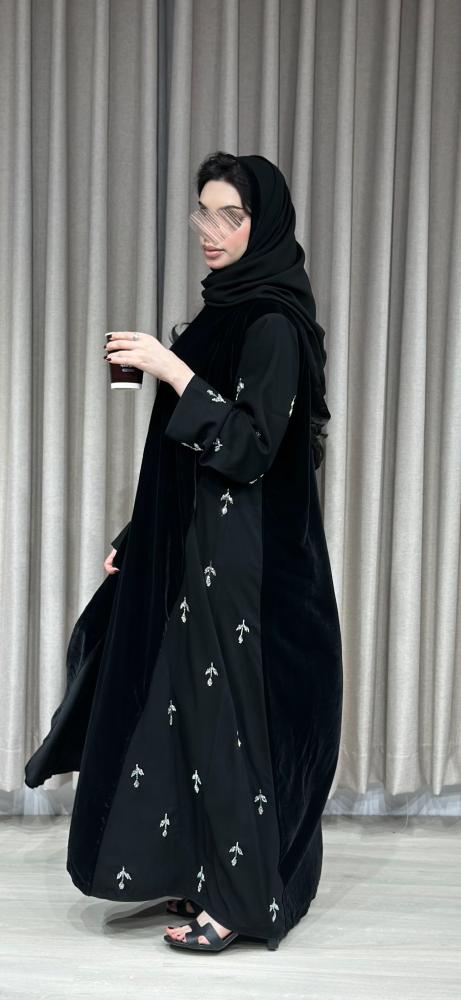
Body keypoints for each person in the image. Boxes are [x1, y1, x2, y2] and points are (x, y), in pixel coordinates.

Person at [25, 152, 343, 954]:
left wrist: (169, 367)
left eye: (231, 215)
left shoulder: (271, 322)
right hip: (190, 547)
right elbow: (178, 458)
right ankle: (194, 870)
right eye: (204, 211)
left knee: (224, 721)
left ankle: (238, 901)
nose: (210, 229)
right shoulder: (219, 313)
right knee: (178, 710)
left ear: (263, 224)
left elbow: (250, 449)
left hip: (241, 565)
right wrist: (137, 538)